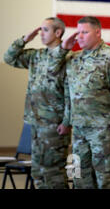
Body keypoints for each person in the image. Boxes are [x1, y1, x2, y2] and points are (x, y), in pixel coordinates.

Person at [49, 16, 110, 189]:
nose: (79, 36)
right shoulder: (74, 58)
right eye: (78, 33)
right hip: (79, 129)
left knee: (106, 178)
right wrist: (64, 48)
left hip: (103, 130)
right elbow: (57, 78)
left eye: (85, 32)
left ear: (98, 32)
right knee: (78, 176)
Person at [3, 17, 70, 189]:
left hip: (54, 123)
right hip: (35, 121)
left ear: (58, 32)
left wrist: (67, 120)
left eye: (45, 30)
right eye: (40, 30)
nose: (40, 34)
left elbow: (71, 94)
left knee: (53, 171)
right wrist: (24, 39)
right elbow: (9, 58)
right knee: (38, 171)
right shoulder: (36, 56)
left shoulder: (67, 58)